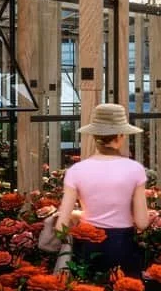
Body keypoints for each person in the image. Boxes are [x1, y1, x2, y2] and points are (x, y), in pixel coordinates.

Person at [56, 103, 150, 274]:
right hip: (122, 246)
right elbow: (142, 222)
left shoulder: (76, 170)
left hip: (87, 246)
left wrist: (80, 215)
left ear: (93, 136)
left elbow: (60, 226)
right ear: (121, 136)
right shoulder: (135, 169)